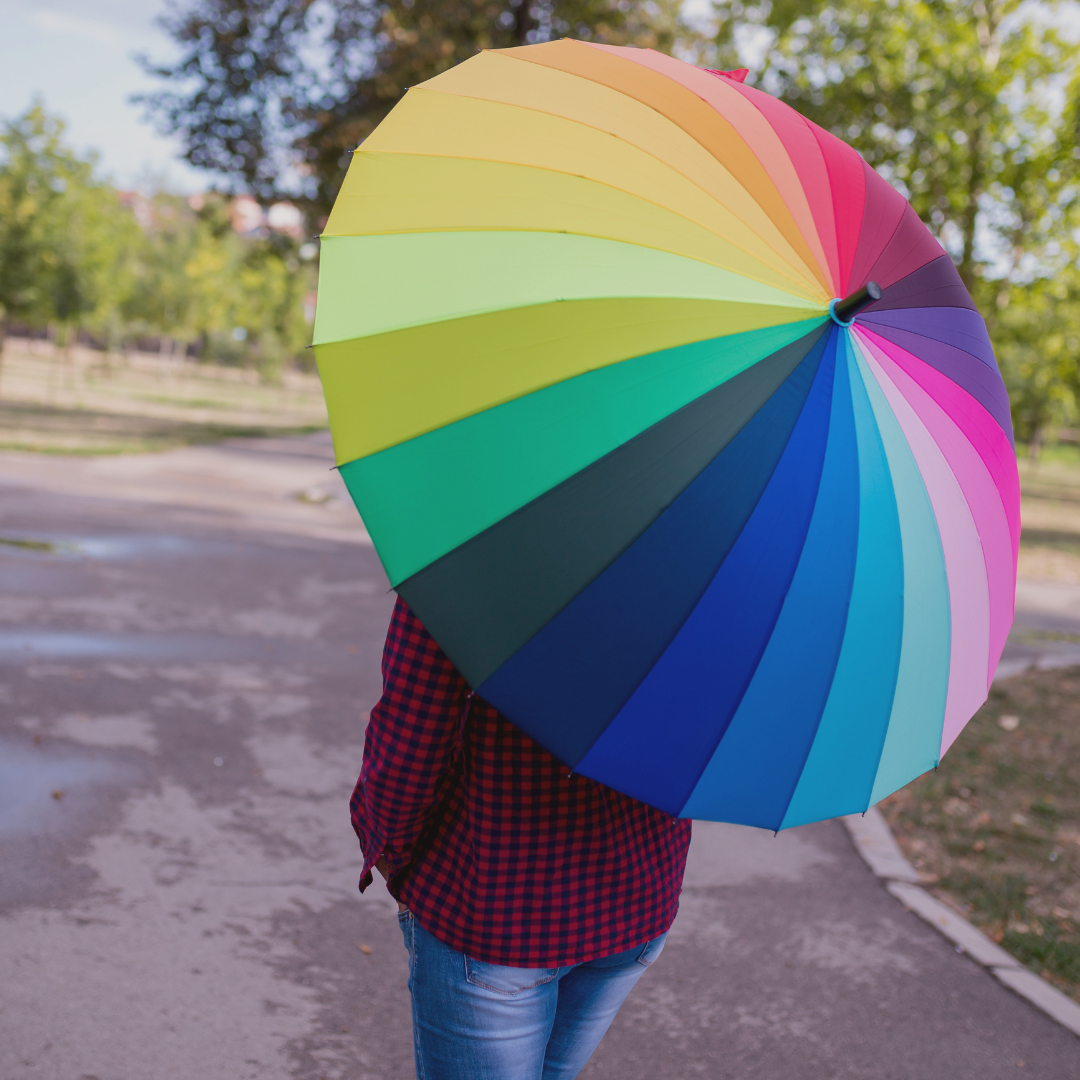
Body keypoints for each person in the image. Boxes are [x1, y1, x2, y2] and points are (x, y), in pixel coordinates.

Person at [351, 597, 693, 1080]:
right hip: (639, 891)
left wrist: (388, 848)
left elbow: (412, 732)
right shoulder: (718, 558)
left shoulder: (477, 547)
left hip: (495, 906)